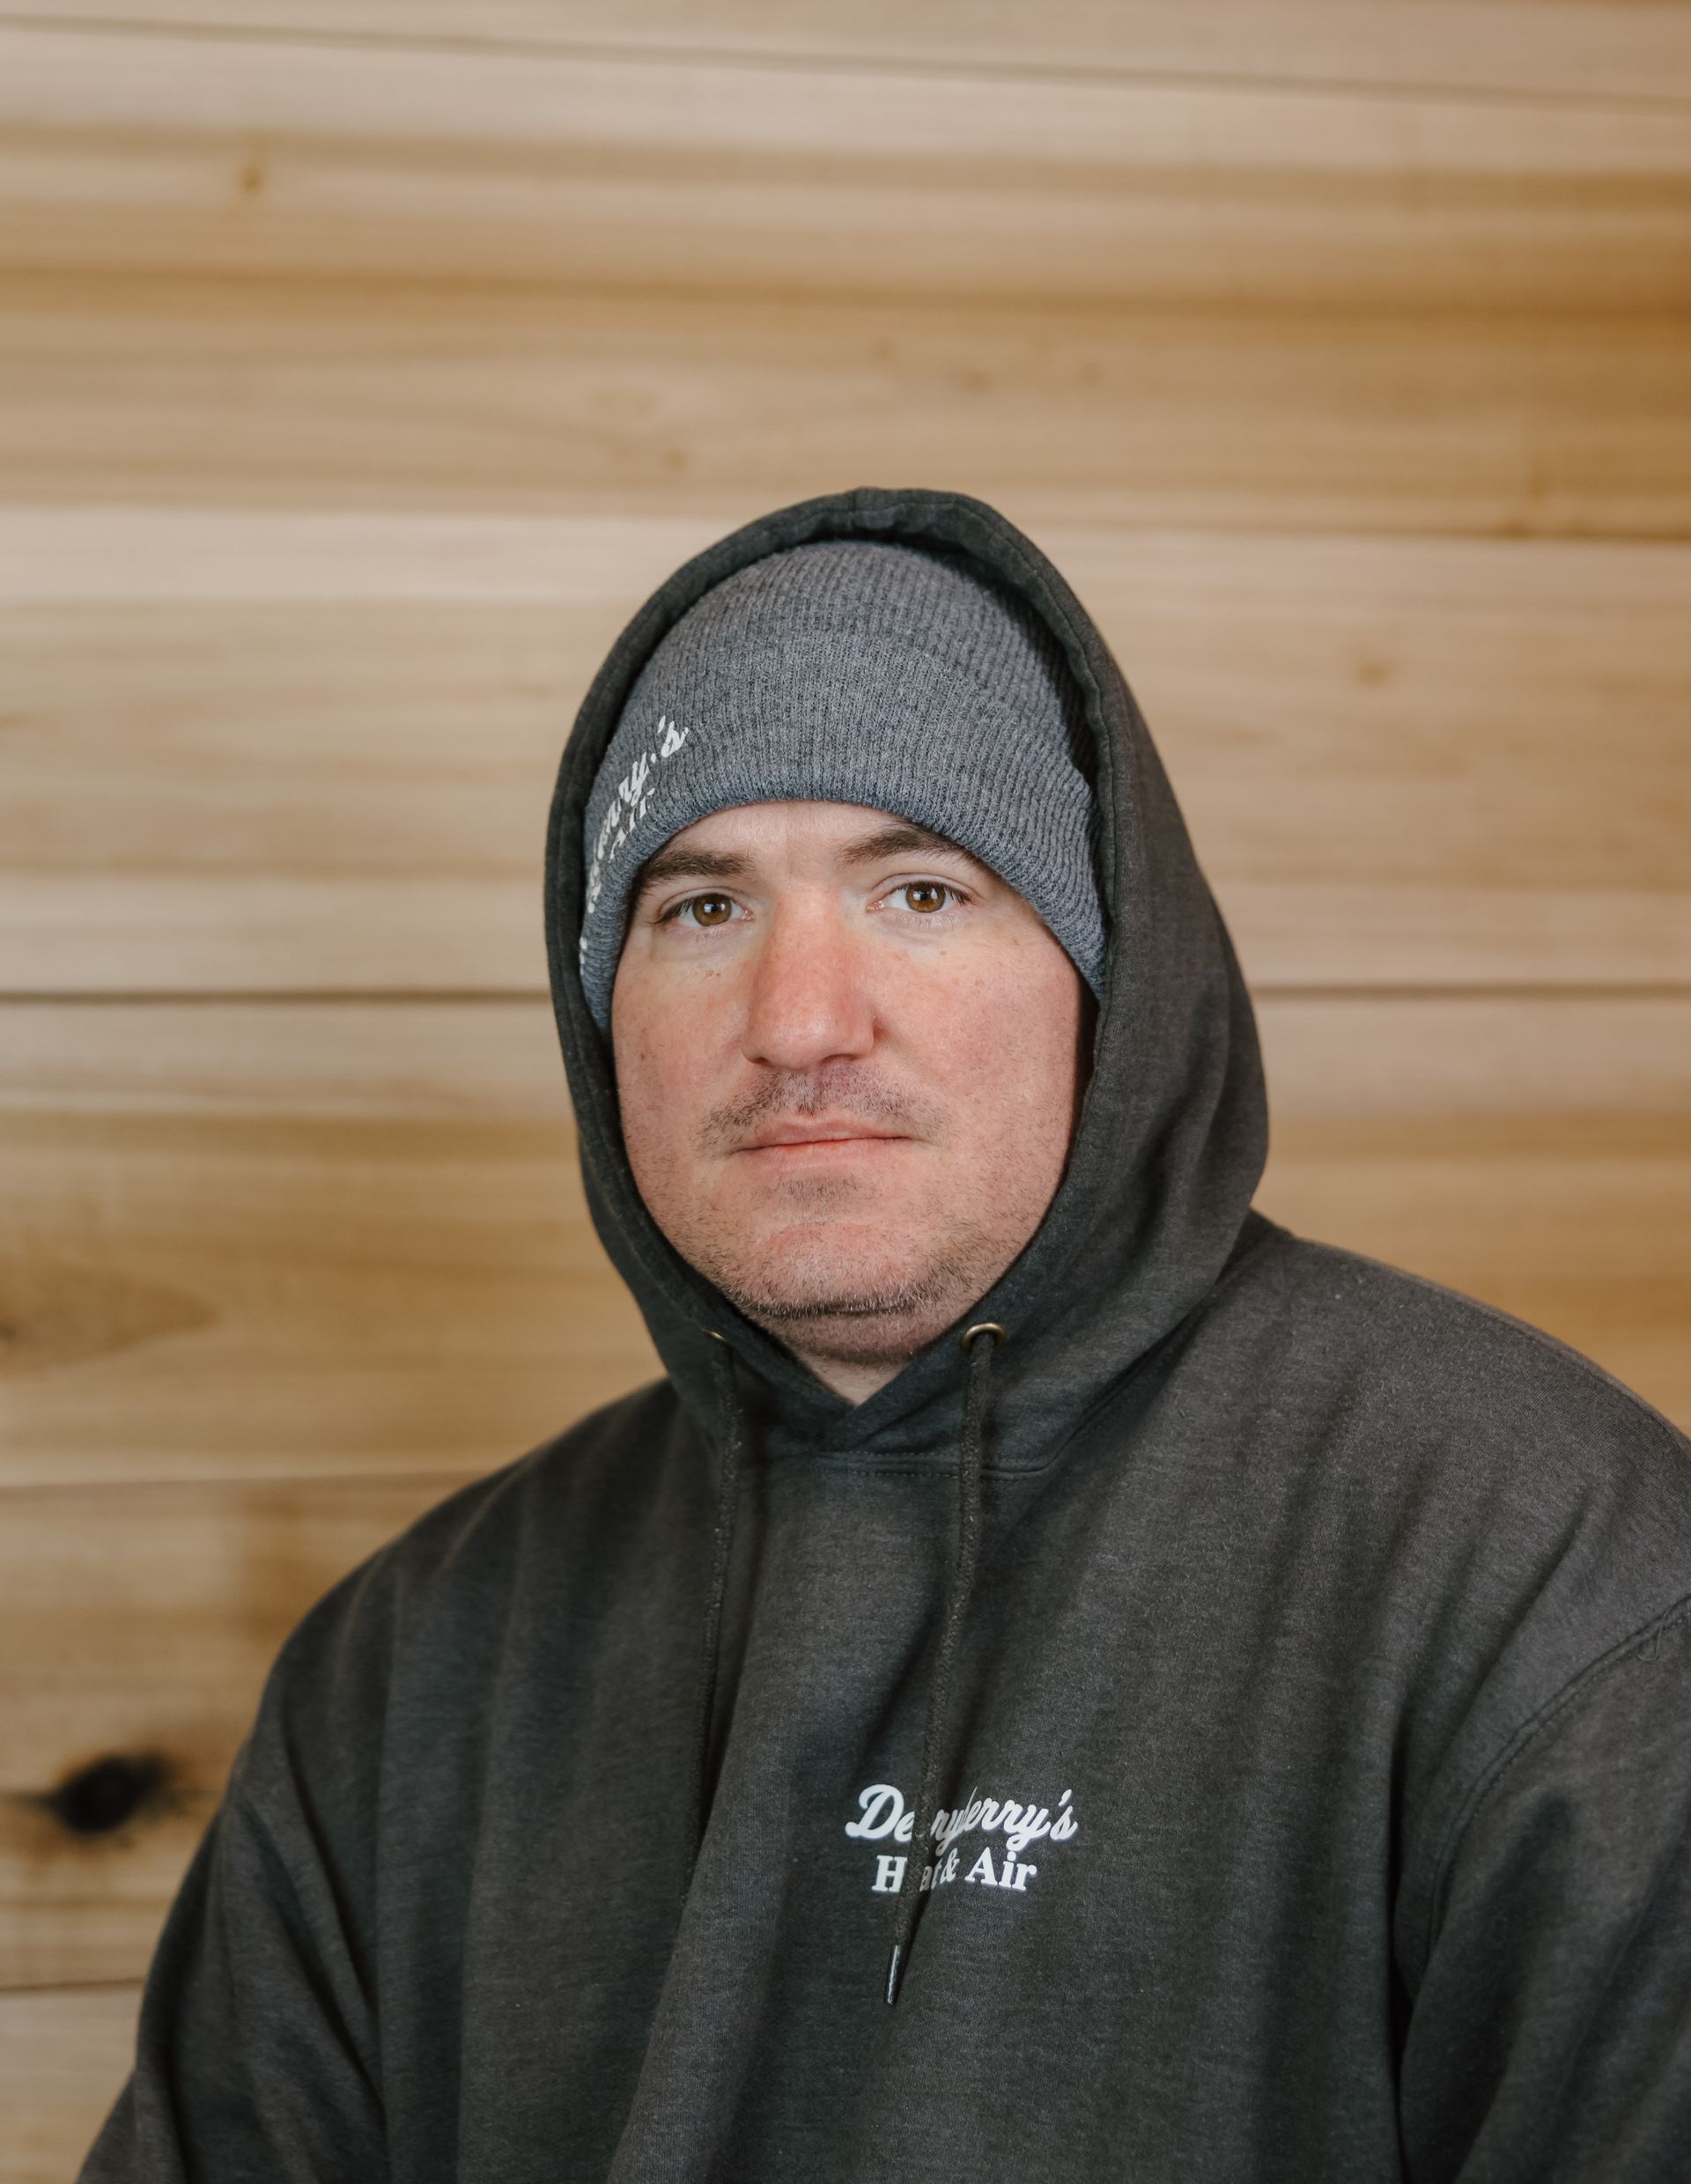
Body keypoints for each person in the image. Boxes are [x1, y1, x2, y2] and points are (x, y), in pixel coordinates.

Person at [85, 487, 1691, 2182]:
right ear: (596, 1015)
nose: (798, 1023)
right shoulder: (411, 1667)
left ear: (1110, 978)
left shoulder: (1541, 1571)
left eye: (922, 891)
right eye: (701, 908)